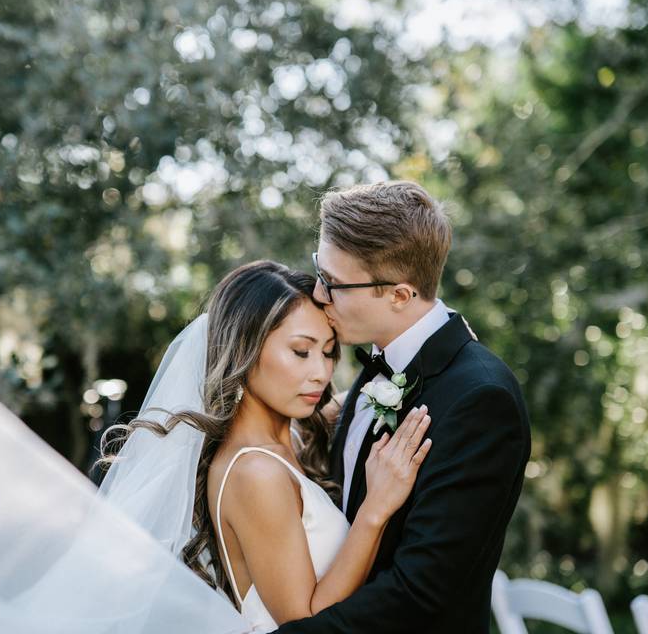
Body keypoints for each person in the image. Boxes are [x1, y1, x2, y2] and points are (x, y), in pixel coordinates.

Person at [99, 260, 433, 631]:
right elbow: (305, 623)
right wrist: (376, 509)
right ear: (246, 349)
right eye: (301, 352)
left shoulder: (284, 442)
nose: (321, 373)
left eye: (327, 352)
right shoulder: (255, 473)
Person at [273, 180, 531, 633]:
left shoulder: (480, 401)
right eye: (320, 271)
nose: (318, 293)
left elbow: (420, 592)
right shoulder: (380, 363)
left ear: (399, 294)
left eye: (334, 283)